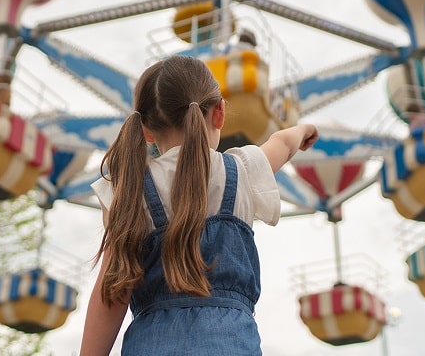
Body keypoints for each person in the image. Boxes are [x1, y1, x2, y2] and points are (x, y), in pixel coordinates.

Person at [79, 55, 318, 356]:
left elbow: (111, 294)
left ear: (146, 130)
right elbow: (282, 143)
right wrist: (304, 129)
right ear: (219, 113)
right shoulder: (241, 171)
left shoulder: (126, 190)